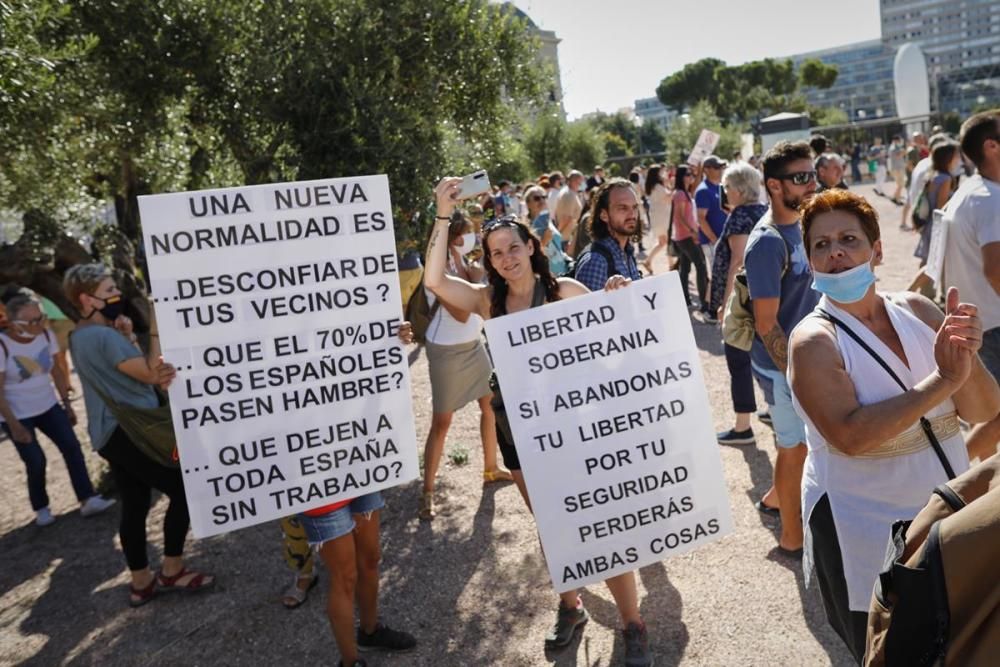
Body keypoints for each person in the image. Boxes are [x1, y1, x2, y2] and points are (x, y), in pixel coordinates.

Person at [423, 177, 653, 666]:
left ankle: (633, 624)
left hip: (576, 424)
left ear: (531, 246)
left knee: (603, 521)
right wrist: (443, 214)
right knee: (552, 524)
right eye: (496, 253)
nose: (506, 258)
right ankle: (571, 607)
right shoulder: (488, 302)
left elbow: (615, 334)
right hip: (517, 428)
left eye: (513, 247)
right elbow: (436, 283)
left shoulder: (565, 290)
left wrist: (616, 292)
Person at [788, 189, 999, 661]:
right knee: (888, 648)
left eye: (848, 239)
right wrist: (943, 379)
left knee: (959, 641)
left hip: (946, 516)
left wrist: (966, 356)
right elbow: (851, 435)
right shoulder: (813, 340)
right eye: (821, 245)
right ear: (809, 261)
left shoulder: (920, 312)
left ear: (877, 250)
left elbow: (984, 409)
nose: (835, 251)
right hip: (862, 523)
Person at [64, 263, 214, 607]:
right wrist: (155, 325)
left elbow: (120, 372)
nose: (116, 295)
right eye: (107, 291)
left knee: (133, 503)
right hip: (132, 429)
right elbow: (152, 374)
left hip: (109, 434)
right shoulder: (101, 336)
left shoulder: (81, 335)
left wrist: (128, 337)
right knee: (186, 490)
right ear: (86, 299)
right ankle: (172, 569)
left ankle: (141, 580)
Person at [744, 140, 820, 553]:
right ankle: (792, 539)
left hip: (805, 358)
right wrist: (796, 374)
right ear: (774, 186)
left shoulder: (805, 224)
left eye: (814, 174)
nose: (812, 184)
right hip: (781, 366)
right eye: (801, 178)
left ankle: (776, 498)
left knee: (799, 445)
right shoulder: (767, 242)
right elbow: (767, 323)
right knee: (795, 448)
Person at [420, 213, 512, 519]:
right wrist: (475, 281)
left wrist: (478, 275)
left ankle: (490, 468)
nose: (470, 239)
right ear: (451, 237)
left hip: (474, 344)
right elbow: (462, 313)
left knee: (490, 406)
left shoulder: (465, 262)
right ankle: (428, 491)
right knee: (442, 423)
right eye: (465, 234)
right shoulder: (438, 269)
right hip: (446, 351)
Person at [0, 289, 115, 526]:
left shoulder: (46, 334)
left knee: (72, 447)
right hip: (17, 414)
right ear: (13, 323)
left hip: (48, 405)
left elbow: (56, 371)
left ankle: (87, 498)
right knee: (35, 461)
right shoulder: (3, 347)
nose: (39, 324)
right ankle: (41, 507)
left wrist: (67, 404)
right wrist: (13, 425)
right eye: (32, 321)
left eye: (41, 317)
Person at [298, 491, 416, 667]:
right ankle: (350, 662)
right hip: (318, 495)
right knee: (345, 578)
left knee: (370, 560)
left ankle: (370, 632)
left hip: (360, 479)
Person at [943, 109, 1000, 460]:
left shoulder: (972, 192)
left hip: (980, 322)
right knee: (995, 417)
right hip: (993, 325)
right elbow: (996, 269)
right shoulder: (990, 200)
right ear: (992, 146)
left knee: (992, 414)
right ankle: (950, 478)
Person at [710, 164, 769, 445]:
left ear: (739, 189)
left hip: (743, 300)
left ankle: (743, 425)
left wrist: (726, 304)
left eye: (727, 187)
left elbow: (738, 261)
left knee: (738, 358)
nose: (724, 191)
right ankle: (771, 407)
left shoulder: (740, 217)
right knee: (762, 354)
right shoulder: (762, 211)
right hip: (762, 296)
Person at [909, 140, 962, 295]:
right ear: (948, 158)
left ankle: (927, 295)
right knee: (934, 263)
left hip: (930, 224)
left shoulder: (933, 175)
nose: (958, 158)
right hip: (939, 225)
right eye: (956, 155)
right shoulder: (945, 178)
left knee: (930, 261)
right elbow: (941, 207)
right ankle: (912, 292)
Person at [573, 179, 643, 292]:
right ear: (604, 215)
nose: (632, 214)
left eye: (634, 207)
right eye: (622, 208)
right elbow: (588, 307)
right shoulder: (596, 262)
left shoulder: (627, 252)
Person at [670, 166, 709, 312]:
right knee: (700, 266)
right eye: (687, 174)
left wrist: (699, 170)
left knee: (685, 269)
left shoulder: (686, 192)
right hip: (685, 236)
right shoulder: (680, 194)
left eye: (691, 174)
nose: (690, 177)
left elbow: (697, 181)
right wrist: (692, 231)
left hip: (685, 235)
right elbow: (679, 216)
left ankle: (685, 299)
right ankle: (704, 303)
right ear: (681, 177)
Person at [524, 184, 569, 277]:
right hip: (546, 274)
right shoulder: (525, 226)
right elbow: (526, 255)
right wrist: (543, 242)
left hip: (562, 270)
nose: (541, 200)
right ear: (528, 203)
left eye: (544, 197)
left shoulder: (547, 219)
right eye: (537, 198)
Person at [695, 155, 728, 277]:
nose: (720, 170)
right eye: (717, 167)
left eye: (721, 167)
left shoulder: (719, 187)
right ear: (706, 170)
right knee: (718, 276)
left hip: (721, 240)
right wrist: (715, 240)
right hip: (712, 242)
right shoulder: (703, 190)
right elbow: (701, 219)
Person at [640, 164, 671, 275]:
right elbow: (668, 198)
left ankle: (648, 261)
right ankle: (671, 265)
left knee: (663, 242)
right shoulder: (658, 186)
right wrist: (675, 189)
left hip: (657, 217)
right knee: (667, 242)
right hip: (662, 217)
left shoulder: (653, 186)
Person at [555, 170, 585, 244]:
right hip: (565, 238)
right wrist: (558, 234)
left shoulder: (570, 192)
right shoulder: (569, 194)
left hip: (566, 236)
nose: (581, 185)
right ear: (574, 181)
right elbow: (566, 217)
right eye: (580, 182)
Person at [887, 134, 907, 204]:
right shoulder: (893, 147)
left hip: (899, 168)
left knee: (900, 184)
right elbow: (898, 155)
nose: (899, 141)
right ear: (895, 140)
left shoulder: (897, 147)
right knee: (900, 184)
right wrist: (903, 151)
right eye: (898, 140)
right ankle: (897, 199)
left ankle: (895, 197)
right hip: (897, 169)